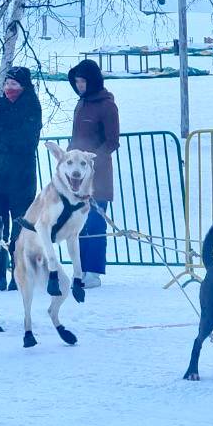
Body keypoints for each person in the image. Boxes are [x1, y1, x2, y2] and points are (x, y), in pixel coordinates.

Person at [0, 66, 42, 291]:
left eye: (13, 84)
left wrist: (1, 142)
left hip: (20, 180)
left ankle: (19, 274)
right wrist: (2, 143)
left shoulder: (31, 106)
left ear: (23, 86)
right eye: (6, 84)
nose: (9, 88)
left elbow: (26, 140)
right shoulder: (1, 106)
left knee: (18, 229)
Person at [67, 59, 119, 296]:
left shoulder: (106, 105)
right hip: (76, 175)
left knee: (95, 223)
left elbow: (111, 141)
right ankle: (81, 269)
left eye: (83, 81)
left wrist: (90, 159)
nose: (79, 86)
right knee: (78, 224)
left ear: (93, 81)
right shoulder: (82, 103)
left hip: (98, 175)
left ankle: (94, 272)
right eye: (77, 81)